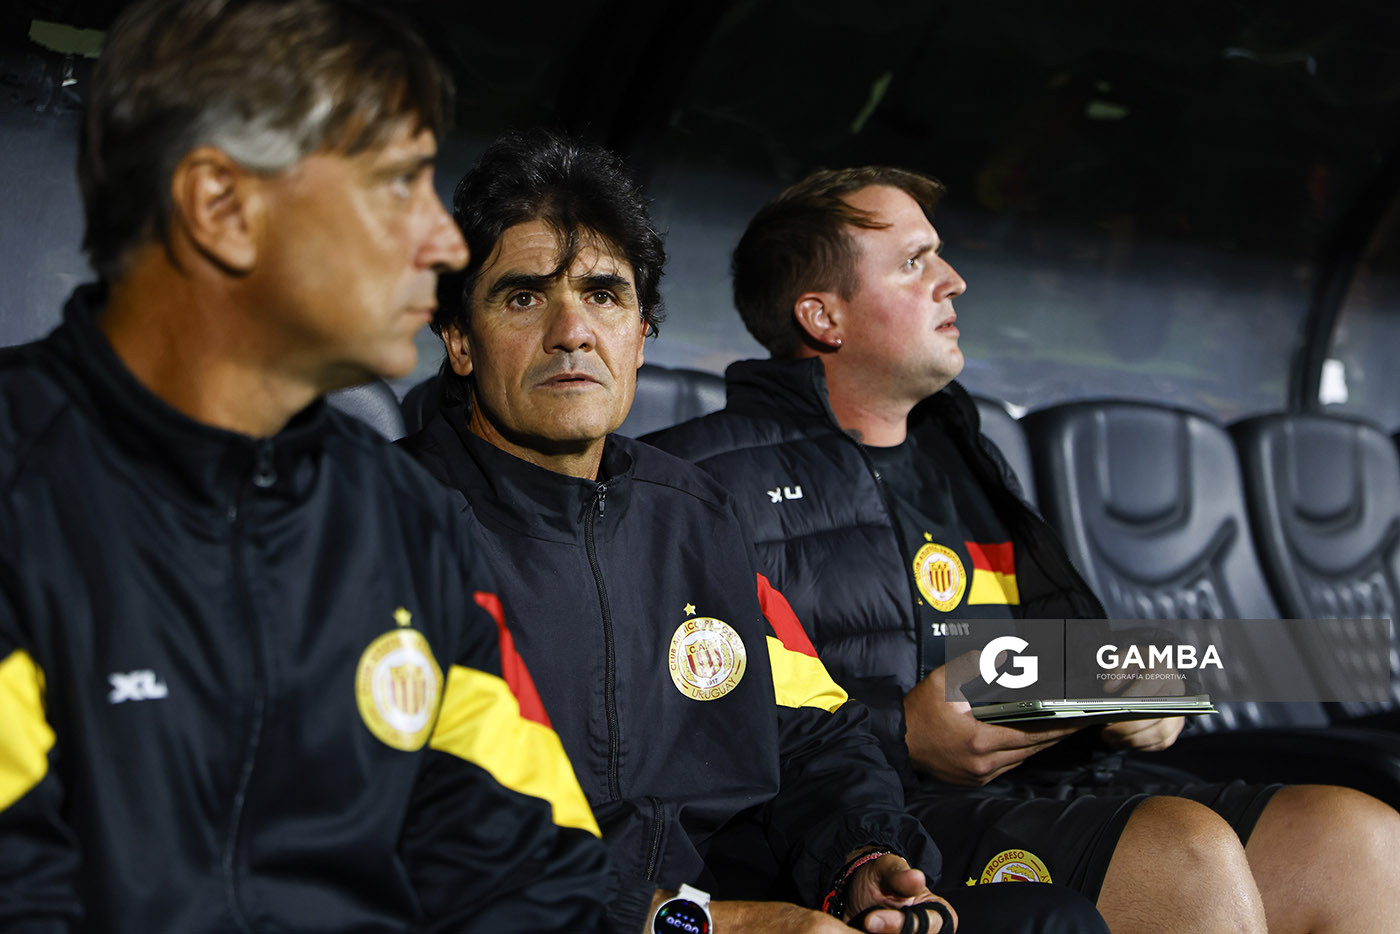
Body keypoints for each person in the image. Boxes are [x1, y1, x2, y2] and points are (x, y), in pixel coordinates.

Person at [647, 166, 1400, 934]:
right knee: (1185, 850)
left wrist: (1145, 691)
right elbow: (690, 712)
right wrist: (900, 729)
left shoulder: (966, 452)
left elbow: (1065, 645)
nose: (954, 281)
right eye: (915, 262)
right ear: (822, 317)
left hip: (1058, 780)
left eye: (940, 255)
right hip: (887, 814)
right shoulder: (692, 483)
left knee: (1358, 836)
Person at [401, 129, 1108, 934]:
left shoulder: (706, 510)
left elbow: (813, 731)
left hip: (755, 875)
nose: (573, 330)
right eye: (525, 296)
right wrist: (700, 921)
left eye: (604, 295)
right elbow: (418, 816)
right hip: (566, 913)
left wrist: (862, 862)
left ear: (641, 334)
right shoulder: (396, 523)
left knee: (1062, 918)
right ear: (460, 339)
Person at [0, 1, 612, 930]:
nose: (444, 245)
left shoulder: (406, 519)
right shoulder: (22, 489)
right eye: (398, 185)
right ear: (223, 209)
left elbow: (529, 870)